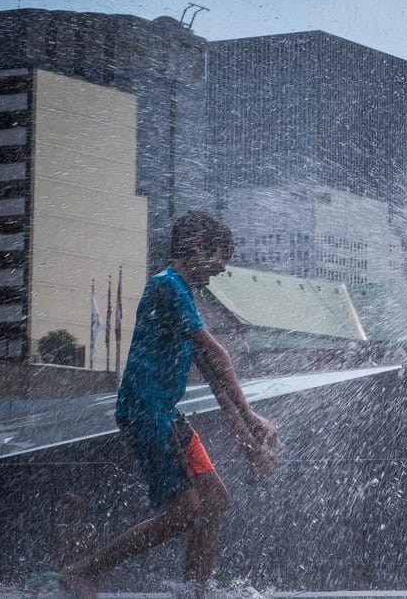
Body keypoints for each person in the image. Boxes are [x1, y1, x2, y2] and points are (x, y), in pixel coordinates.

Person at [60, 211, 279, 599]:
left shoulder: (184, 296)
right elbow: (219, 355)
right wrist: (250, 415)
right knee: (184, 511)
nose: (223, 268)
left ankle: (195, 592)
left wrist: (247, 439)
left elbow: (215, 378)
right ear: (197, 247)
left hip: (165, 413)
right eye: (221, 257)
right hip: (145, 412)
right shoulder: (167, 285)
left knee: (214, 499)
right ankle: (83, 571)